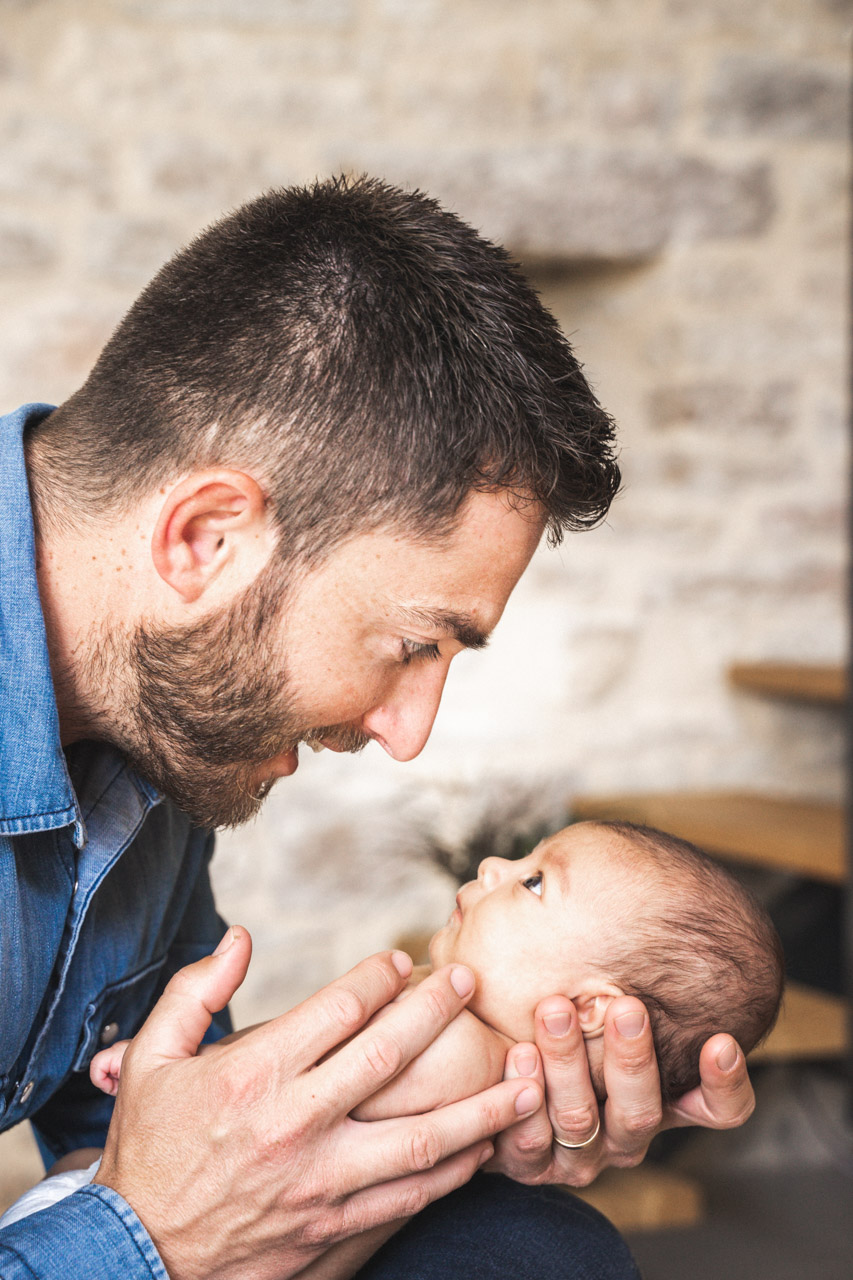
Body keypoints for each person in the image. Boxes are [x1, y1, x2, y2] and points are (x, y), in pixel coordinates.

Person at [0, 176, 756, 1280]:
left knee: (537, 1250)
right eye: (412, 643)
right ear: (207, 539)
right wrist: (142, 1240)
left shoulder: (168, 721)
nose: (410, 733)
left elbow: (125, 1107)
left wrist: (456, 1128)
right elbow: (154, 1212)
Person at [2, 817, 782, 1277]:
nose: (494, 866)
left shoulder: (461, 1053)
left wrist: (185, 1068)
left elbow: (284, 1108)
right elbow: (276, 1103)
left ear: (586, 1013)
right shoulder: (466, 1050)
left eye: (536, 882)